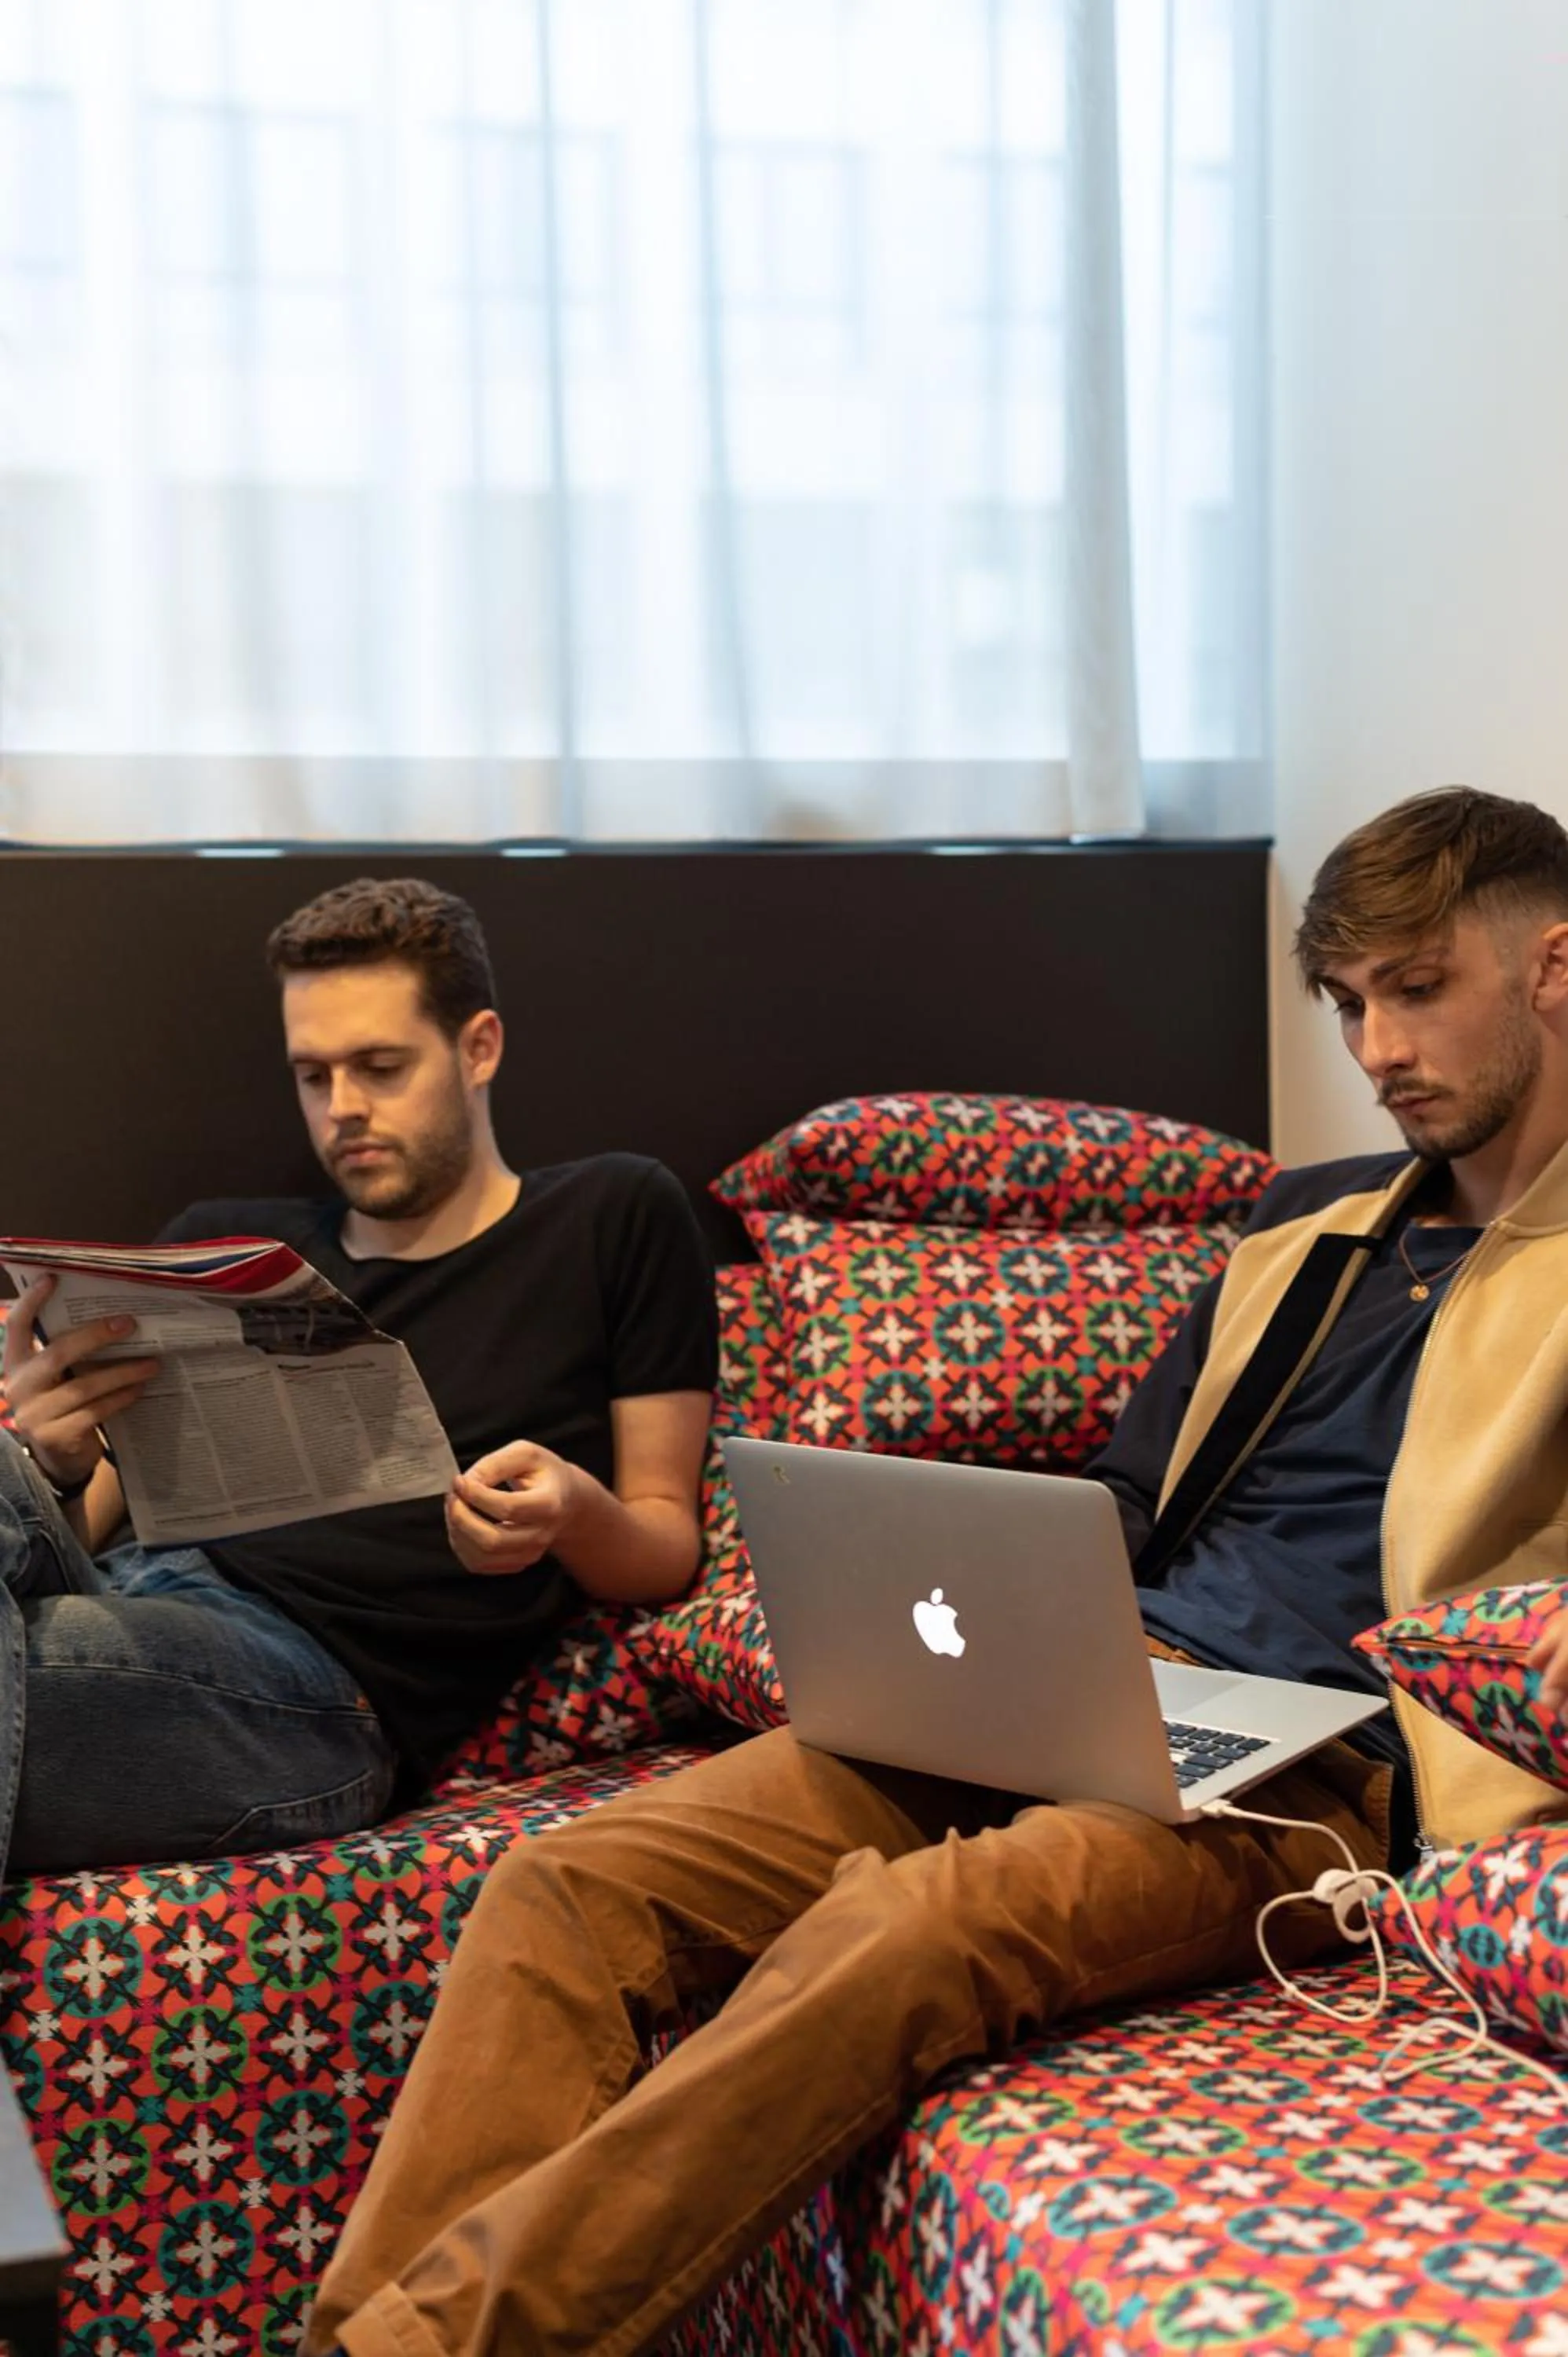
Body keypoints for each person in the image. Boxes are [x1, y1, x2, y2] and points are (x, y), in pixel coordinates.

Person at [304, 786, 1568, 2357]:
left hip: (1319, 1770)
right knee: (573, 1880)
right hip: (1097, 1682)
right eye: (1345, 1001)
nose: (1371, 1046)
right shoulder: (1307, 1229)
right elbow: (1122, 1498)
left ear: (1551, 968)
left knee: (900, 1933)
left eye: (1415, 988)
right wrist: (964, 1575)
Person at [0, 877, 716, 1882]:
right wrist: (63, 1464)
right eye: (312, 1075)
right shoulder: (220, 1245)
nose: (343, 1110)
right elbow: (89, 1531)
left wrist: (572, 1511)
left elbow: (663, 1545)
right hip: (121, 1592)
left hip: (312, 1690)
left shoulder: (611, 1217)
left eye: (381, 1067)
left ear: (478, 1049)